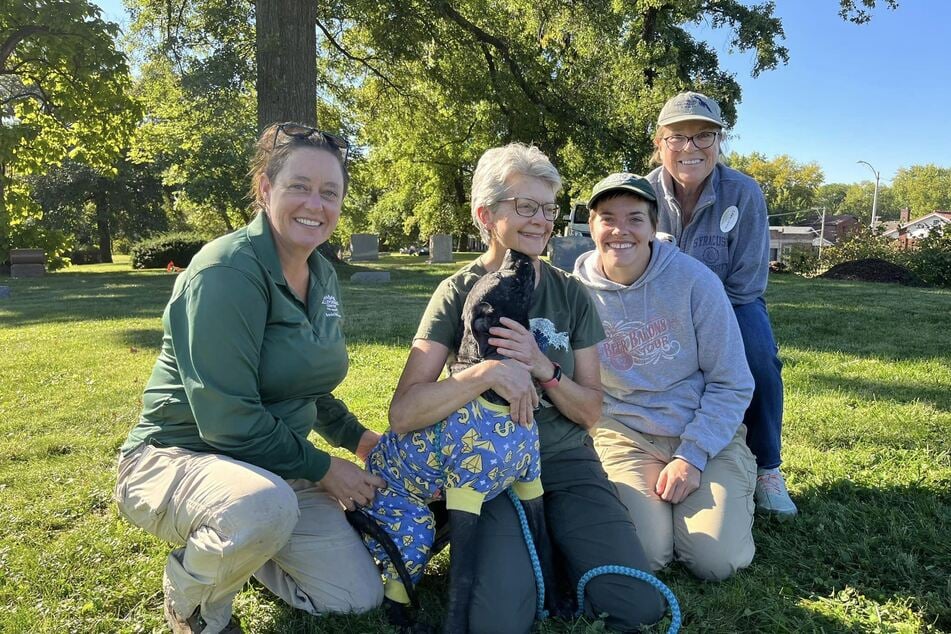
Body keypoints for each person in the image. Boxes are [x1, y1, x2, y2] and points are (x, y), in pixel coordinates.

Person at [113, 123, 386, 634]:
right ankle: (194, 602)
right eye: (299, 186)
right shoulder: (226, 271)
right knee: (262, 506)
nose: (316, 203)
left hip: (269, 467)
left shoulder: (320, 272)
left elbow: (305, 381)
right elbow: (227, 420)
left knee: (353, 597)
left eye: (330, 192)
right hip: (177, 457)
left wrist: (359, 438)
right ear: (265, 189)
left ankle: (245, 542)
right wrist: (326, 469)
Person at [388, 143, 665, 633]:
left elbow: (590, 412)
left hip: (565, 460)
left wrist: (542, 366)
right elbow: (404, 414)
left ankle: (563, 539)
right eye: (525, 207)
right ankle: (527, 551)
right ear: (485, 214)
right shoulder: (456, 292)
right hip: (488, 467)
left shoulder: (569, 293)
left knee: (636, 604)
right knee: (496, 620)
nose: (541, 221)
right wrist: (485, 373)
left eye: (547, 208)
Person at [574, 172, 756, 580]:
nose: (621, 230)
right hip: (626, 435)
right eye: (608, 217)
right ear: (592, 227)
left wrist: (691, 456)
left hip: (704, 435)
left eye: (635, 218)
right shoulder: (574, 293)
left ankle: (737, 480)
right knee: (646, 557)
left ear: (654, 227)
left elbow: (732, 380)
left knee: (715, 562)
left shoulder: (695, 282)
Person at [646, 91, 798, 516]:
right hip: (658, 307)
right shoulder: (643, 194)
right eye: (678, 137)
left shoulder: (744, 192)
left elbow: (749, 278)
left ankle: (767, 466)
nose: (690, 148)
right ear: (660, 143)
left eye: (703, 136)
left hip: (733, 303)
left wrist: (703, 324)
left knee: (759, 356)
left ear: (719, 142)